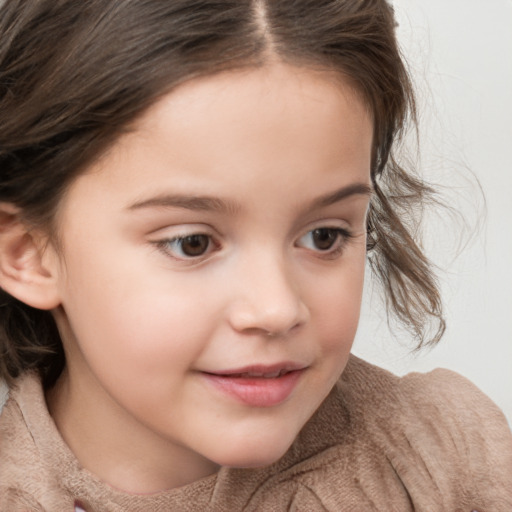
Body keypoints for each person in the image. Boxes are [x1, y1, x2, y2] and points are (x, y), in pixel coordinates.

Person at [0, 0, 510, 510]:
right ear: (27, 254)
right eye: (191, 243)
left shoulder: (447, 463)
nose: (277, 309)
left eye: (324, 236)